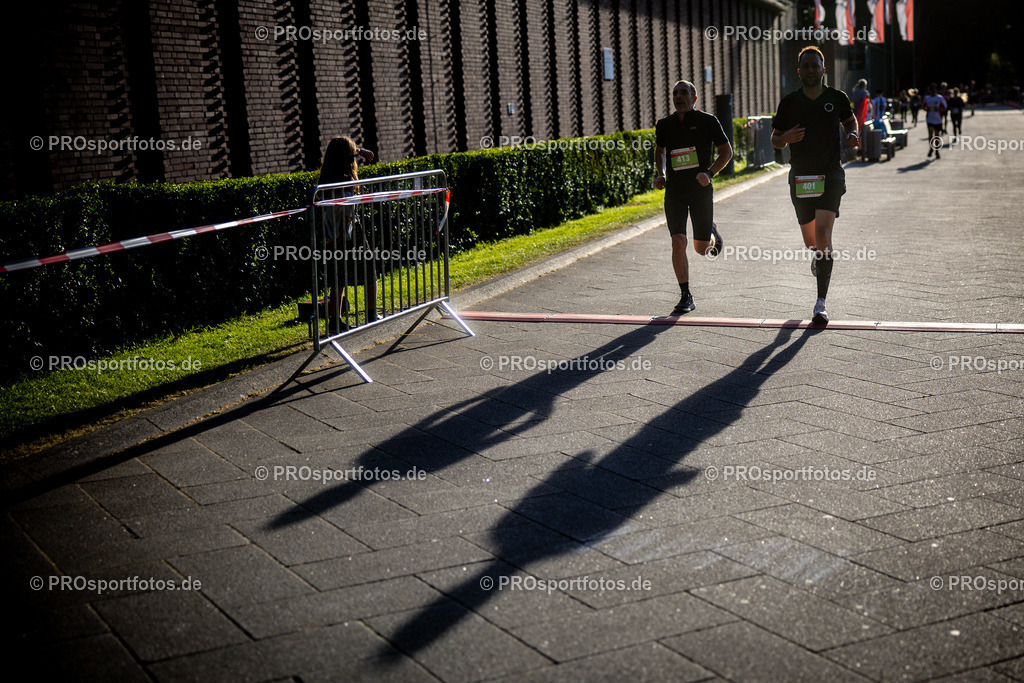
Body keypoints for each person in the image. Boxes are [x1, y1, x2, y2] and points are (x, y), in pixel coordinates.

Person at [771, 46, 859, 325]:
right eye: (805, 66)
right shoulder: (789, 102)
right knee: (812, 241)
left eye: (815, 65)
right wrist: (785, 137)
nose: (810, 70)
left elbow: (849, 121)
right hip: (801, 177)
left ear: (824, 69)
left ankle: (821, 303)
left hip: (830, 174)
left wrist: (853, 133)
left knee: (823, 235)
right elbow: (775, 139)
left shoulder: (837, 97)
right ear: (799, 71)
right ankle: (819, 260)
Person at [654, 80, 733, 315]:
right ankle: (685, 295)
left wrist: (709, 173)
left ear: (694, 98)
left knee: (701, 250)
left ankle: (711, 231)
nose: (679, 97)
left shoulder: (708, 121)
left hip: (700, 190)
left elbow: (726, 151)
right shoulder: (664, 124)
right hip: (675, 192)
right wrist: (661, 173)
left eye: (684, 93)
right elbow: (660, 152)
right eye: (675, 93)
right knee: (678, 241)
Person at [316, 136, 375, 330]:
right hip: (347, 232)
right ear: (347, 158)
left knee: (338, 277)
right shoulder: (344, 181)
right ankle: (371, 313)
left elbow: (343, 151)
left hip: (334, 235)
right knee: (368, 271)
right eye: (353, 154)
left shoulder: (327, 178)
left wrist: (360, 150)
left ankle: (335, 320)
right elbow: (345, 214)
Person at [923, 83, 946, 159]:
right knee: (930, 134)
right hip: (930, 119)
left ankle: (936, 150)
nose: (933, 91)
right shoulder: (927, 98)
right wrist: (927, 109)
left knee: (936, 136)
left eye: (934, 89)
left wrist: (939, 109)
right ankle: (931, 148)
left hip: (938, 119)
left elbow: (945, 107)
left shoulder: (939, 98)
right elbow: (924, 107)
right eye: (931, 90)